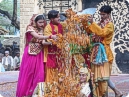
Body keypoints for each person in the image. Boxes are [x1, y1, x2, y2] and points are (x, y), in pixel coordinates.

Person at [16, 14, 57, 97]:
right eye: (40, 22)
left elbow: (44, 42)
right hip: (30, 55)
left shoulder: (42, 29)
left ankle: (36, 94)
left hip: (39, 54)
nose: (42, 24)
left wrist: (54, 42)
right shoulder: (30, 28)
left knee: (39, 74)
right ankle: (26, 94)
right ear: (35, 22)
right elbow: (37, 36)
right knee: (29, 73)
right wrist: (51, 36)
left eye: (43, 22)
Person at [86, 5, 122, 97]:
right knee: (97, 77)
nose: (102, 16)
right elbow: (91, 31)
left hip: (104, 53)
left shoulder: (110, 25)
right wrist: (86, 23)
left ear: (109, 14)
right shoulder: (99, 23)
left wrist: (92, 23)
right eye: (101, 14)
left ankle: (107, 94)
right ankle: (117, 92)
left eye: (104, 14)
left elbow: (101, 33)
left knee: (103, 78)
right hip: (95, 52)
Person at [43, 10, 66, 83]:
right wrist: (57, 39)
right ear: (52, 19)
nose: (59, 18)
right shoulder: (48, 27)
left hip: (61, 54)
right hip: (51, 55)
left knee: (61, 73)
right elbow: (48, 40)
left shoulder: (61, 25)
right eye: (57, 17)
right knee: (51, 74)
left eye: (59, 17)